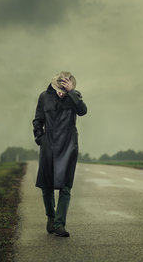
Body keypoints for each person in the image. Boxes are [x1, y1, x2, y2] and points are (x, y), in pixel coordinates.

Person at [32, 71, 87, 237]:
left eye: (66, 87)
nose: (61, 90)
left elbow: (83, 111)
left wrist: (71, 93)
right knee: (46, 184)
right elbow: (37, 120)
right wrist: (41, 139)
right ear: (55, 85)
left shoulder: (75, 96)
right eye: (60, 87)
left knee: (65, 186)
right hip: (49, 145)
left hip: (68, 145)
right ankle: (51, 217)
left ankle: (60, 224)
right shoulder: (44, 97)